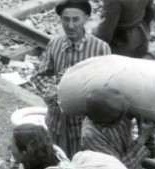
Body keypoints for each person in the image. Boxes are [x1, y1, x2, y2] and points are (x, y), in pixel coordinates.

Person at [32, 0, 110, 158]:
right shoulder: (55, 44)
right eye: (66, 19)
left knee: (78, 166)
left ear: (86, 18)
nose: (71, 25)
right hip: (55, 122)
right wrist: (50, 91)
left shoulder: (101, 48)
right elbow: (41, 75)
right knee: (56, 163)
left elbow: (107, 89)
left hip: (84, 127)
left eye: (76, 19)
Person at [80, 87, 155, 169]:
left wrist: (144, 124)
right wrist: (142, 138)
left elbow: (151, 152)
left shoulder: (117, 110)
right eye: (118, 120)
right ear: (104, 123)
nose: (123, 121)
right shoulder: (90, 136)